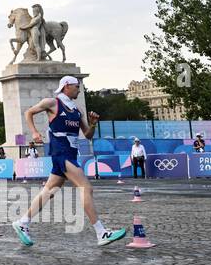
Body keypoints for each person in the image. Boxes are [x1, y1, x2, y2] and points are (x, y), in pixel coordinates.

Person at [12, 75, 126, 247]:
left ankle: (23, 222)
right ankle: (101, 232)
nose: (79, 89)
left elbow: (87, 135)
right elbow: (28, 112)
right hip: (61, 153)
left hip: (71, 154)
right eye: (76, 86)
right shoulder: (52, 102)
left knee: (48, 191)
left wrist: (93, 124)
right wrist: (34, 132)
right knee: (86, 187)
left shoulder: (77, 110)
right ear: (66, 86)